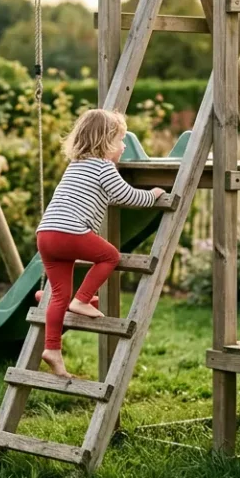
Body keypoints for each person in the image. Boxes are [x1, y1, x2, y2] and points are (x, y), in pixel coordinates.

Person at [35, 109, 165, 377]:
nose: (124, 146)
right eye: (120, 140)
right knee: (109, 256)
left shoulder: (76, 165)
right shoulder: (104, 167)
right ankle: (82, 300)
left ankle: (52, 349)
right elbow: (126, 196)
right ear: (105, 143)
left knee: (58, 296)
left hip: (46, 235)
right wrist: (152, 195)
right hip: (70, 232)